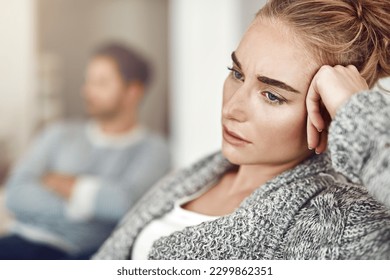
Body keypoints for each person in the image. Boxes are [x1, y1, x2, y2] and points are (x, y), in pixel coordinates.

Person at [94, 0, 390, 260]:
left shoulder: (337, 219)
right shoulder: (201, 174)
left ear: (326, 110)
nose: (231, 108)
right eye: (237, 74)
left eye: (272, 95)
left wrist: (355, 109)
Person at [0, 43, 171, 259]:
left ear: (133, 92)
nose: (87, 91)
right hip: (18, 240)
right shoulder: (59, 133)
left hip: (78, 254)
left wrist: (61, 184)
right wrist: (88, 205)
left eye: (101, 83)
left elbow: (124, 205)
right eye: (88, 81)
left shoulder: (155, 150)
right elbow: (15, 194)